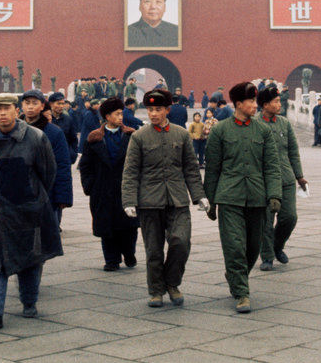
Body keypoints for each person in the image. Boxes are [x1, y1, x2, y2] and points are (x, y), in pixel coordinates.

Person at [0, 94, 62, 332]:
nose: (2, 113)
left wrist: (30, 194)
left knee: (30, 258)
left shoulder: (35, 138)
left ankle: (29, 300)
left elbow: (47, 173)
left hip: (28, 209)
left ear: (16, 110)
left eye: (7, 108)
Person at [121, 89, 207, 308]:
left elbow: (190, 168)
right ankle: (156, 290)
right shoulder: (139, 137)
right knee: (153, 250)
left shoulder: (181, 134)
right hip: (149, 201)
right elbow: (130, 171)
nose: (153, 114)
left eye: (158, 109)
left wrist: (199, 197)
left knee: (181, 243)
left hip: (177, 200)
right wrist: (129, 200)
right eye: (150, 109)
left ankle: (172, 283)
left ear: (167, 110)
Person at [204, 82, 281, 313]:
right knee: (234, 246)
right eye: (251, 102)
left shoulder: (263, 131)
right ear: (239, 104)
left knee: (253, 247)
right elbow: (213, 168)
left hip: (257, 196)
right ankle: (241, 292)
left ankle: (235, 275)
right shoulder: (220, 131)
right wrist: (210, 201)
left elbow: (272, 167)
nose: (255, 106)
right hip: (229, 196)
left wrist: (275, 194)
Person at [80, 97, 140, 272]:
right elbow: (85, 165)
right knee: (106, 227)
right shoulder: (94, 138)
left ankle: (129, 253)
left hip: (125, 188)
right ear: (107, 116)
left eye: (122, 113)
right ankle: (111, 260)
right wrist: (90, 185)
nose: (121, 117)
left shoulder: (131, 135)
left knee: (129, 227)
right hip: (102, 189)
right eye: (117, 114)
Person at [256, 86, 307, 271]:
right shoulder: (255, 124)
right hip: (264, 181)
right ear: (264, 105)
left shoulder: (284, 123)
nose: (279, 104)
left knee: (290, 217)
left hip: (285, 178)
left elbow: (293, 151)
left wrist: (299, 176)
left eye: (279, 101)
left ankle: (278, 246)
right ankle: (267, 256)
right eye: (276, 101)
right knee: (266, 221)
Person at [19, 89, 73, 225]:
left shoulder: (54, 133)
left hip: (46, 192)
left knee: (47, 238)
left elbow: (62, 165)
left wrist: (63, 197)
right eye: (27, 103)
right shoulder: (13, 131)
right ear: (22, 106)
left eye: (34, 103)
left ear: (42, 106)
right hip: (19, 195)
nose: (30, 106)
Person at [48, 91, 78, 162]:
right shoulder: (46, 119)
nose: (61, 106)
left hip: (64, 157)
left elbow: (73, 139)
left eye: (62, 104)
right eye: (58, 103)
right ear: (51, 104)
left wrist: (73, 154)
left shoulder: (68, 119)